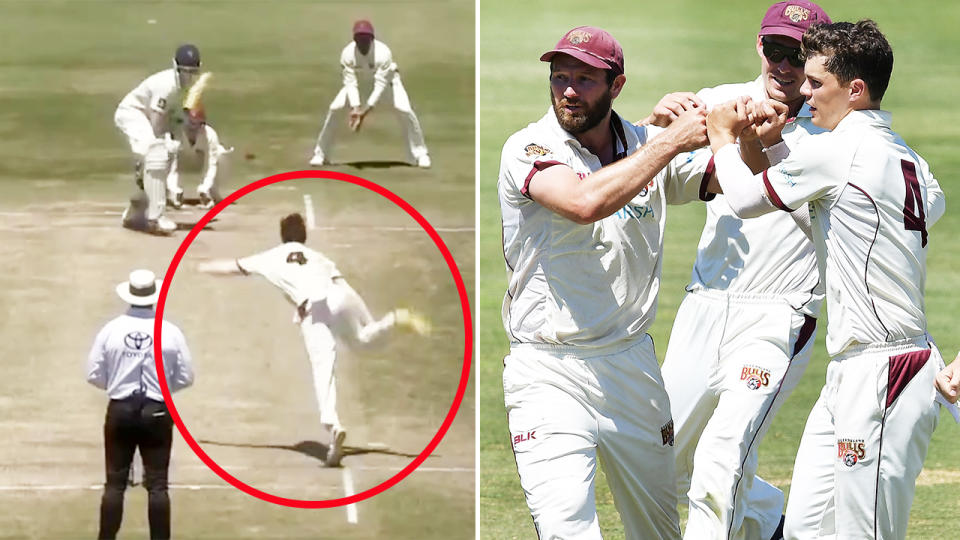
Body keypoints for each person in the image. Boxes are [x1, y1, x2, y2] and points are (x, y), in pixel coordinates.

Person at [705, 20, 945, 540]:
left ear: (854, 90)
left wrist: (723, 137)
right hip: (853, 370)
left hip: (886, 371)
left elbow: (746, 200)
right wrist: (773, 153)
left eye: (816, 83)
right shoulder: (909, 158)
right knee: (804, 531)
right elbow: (920, 206)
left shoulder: (839, 150)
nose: (804, 94)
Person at [498, 26, 712, 539]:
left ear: (616, 86)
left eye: (585, 79)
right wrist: (669, 142)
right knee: (567, 528)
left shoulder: (642, 144)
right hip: (548, 370)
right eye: (560, 77)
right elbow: (583, 202)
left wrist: (748, 123)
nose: (568, 90)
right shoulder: (529, 146)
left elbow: (729, 178)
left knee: (657, 531)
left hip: (631, 368)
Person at [640, 3, 831, 539]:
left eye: (798, 55)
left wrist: (762, 144)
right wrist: (655, 127)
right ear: (759, 46)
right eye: (775, 50)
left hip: (778, 313)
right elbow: (652, 177)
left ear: (820, 58)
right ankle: (772, 523)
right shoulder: (720, 101)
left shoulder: (837, 129)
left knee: (720, 463)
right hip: (703, 303)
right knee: (663, 462)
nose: (784, 66)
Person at [197, 213, 431, 467]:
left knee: (323, 366)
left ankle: (333, 425)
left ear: (283, 236)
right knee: (364, 341)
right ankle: (394, 320)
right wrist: (367, 320)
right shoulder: (319, 257)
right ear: (303, 236)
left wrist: (201, 266)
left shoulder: (270, 257)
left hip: (315, 308)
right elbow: (345, 287)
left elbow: (233, 267)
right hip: (340, 296)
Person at [86, 269, 195, 540]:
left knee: (115, 484)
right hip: (157, 411)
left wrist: (117, 386)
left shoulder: (111, 330)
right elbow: (185, 376)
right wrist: (163, 391)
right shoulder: (169, 332)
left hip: (121, 409)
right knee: (158, 485)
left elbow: (93, 374)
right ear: (154, 297)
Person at [310, 20, 431, 168]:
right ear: (354, 40)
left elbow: (380, 85)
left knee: (404, 110)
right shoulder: (347, 54)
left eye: (366, 38)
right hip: (361, 86)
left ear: (372, 39)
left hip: (389, 85)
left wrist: (365, 111)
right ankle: (321, 154)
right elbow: (350, 83)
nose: (363, 42)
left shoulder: (383, 53)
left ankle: (420, 154)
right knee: (335, 108)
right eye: (359, 39)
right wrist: (355, 107)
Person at [115, 44, 202, 235]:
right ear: (175, 66)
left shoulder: (187, 88)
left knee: (163, 157)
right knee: (157, 155)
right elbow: (156, 119)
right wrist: (158, 145)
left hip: (149, 117)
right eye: (183, 71)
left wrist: (183, 136)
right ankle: (156, 217)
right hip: (133, 114)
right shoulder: (167, 85)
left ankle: (136, 211)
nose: (187, 75)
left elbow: (176, 116)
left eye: (192, 72)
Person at [166, 103, 232, 209]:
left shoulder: (210, 135)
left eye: (198, 124)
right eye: (191, 123)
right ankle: (170, 194)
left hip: (199, 162)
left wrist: (204, 188)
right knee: (163, 153)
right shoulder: (176, 133)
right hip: (181, 162)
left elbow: (211, 164)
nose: (193, 128)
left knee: (221, 155)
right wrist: (174, 189)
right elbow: (171, 163)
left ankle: (212, 193)